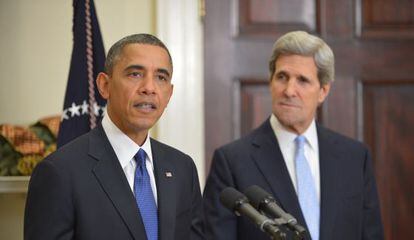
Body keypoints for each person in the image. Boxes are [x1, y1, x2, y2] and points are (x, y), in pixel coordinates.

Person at [203, 31, 384, 240]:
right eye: (282, 77)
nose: (289, 90)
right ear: (270, 82)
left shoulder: (354, 157)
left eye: (302, 81)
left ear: (323, 91)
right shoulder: (232, 161)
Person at [25, 34, 205, 240]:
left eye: (161, 77)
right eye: (135, 74)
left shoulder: (182, 168)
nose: (149, 88)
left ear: (169, 94)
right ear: (104, 85)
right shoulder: (59, 172)